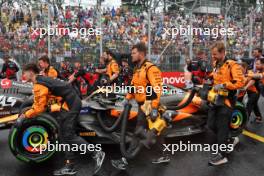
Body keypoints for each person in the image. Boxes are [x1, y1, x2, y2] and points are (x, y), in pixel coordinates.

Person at [20, 63, 106, 176]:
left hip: (71, 104)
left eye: (24, 72)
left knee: (68, 134)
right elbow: (42, 102)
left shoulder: (39, 84)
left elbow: (39, 108)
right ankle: (70, 166)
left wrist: (25, 115)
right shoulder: (41, 80)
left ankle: (96, 153)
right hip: (68, 103)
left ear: (31, 72)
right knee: (62, 134)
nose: (23, 75)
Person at [111, 43, 170, 170]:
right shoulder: (137, 68)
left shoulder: (150, 68)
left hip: (149, 106)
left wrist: (154, 107)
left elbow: (157, 88)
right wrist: (127, 99)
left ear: (141, 54)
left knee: (139, 131)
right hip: (141, 106)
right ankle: (163, 155)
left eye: (133, 53)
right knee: (155, 132)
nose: (131, 56)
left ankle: (125, 160)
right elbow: (133, 87)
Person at [207, 41, 245, 166]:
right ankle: (230, 139)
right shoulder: (215, 63)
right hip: (215, 99)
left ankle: (222, 156)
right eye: (212, 54)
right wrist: (209, 78)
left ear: (223, 53)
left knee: (222, 127)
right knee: (211, 125)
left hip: (227, 101)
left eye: (215, 54)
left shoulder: (232, 65)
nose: (213, 56)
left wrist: (224, 85)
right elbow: (215, 76)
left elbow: (240, 83)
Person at [247, 59, 264, 123]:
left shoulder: (260, 73)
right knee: (254, 104)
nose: (255, 65)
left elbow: (258, 76)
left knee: (250, 104)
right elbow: (254, 78)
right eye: (255, 64)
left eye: (257, 64)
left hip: (258, 92)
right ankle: (259, 117)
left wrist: (247, 74)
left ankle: (244, 120)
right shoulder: (258, 71)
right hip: (258, 91)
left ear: (263, 64)